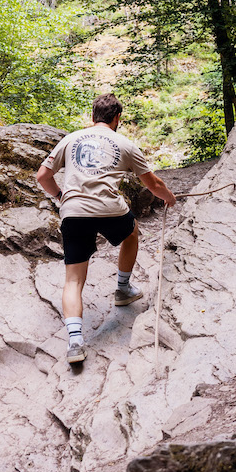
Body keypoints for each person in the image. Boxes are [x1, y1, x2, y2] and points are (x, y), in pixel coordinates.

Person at [36, 93, 176, 364]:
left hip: (73, 211)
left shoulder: (70, 139)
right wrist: (168, 196)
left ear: (92, 116)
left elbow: (43, 176)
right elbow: (153, 184)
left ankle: (75, 341)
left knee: (73, 280)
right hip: (109, 209)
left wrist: (60, 195)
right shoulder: (125, 143)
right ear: (117, 118)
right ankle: (122, 289)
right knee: (132, 231)